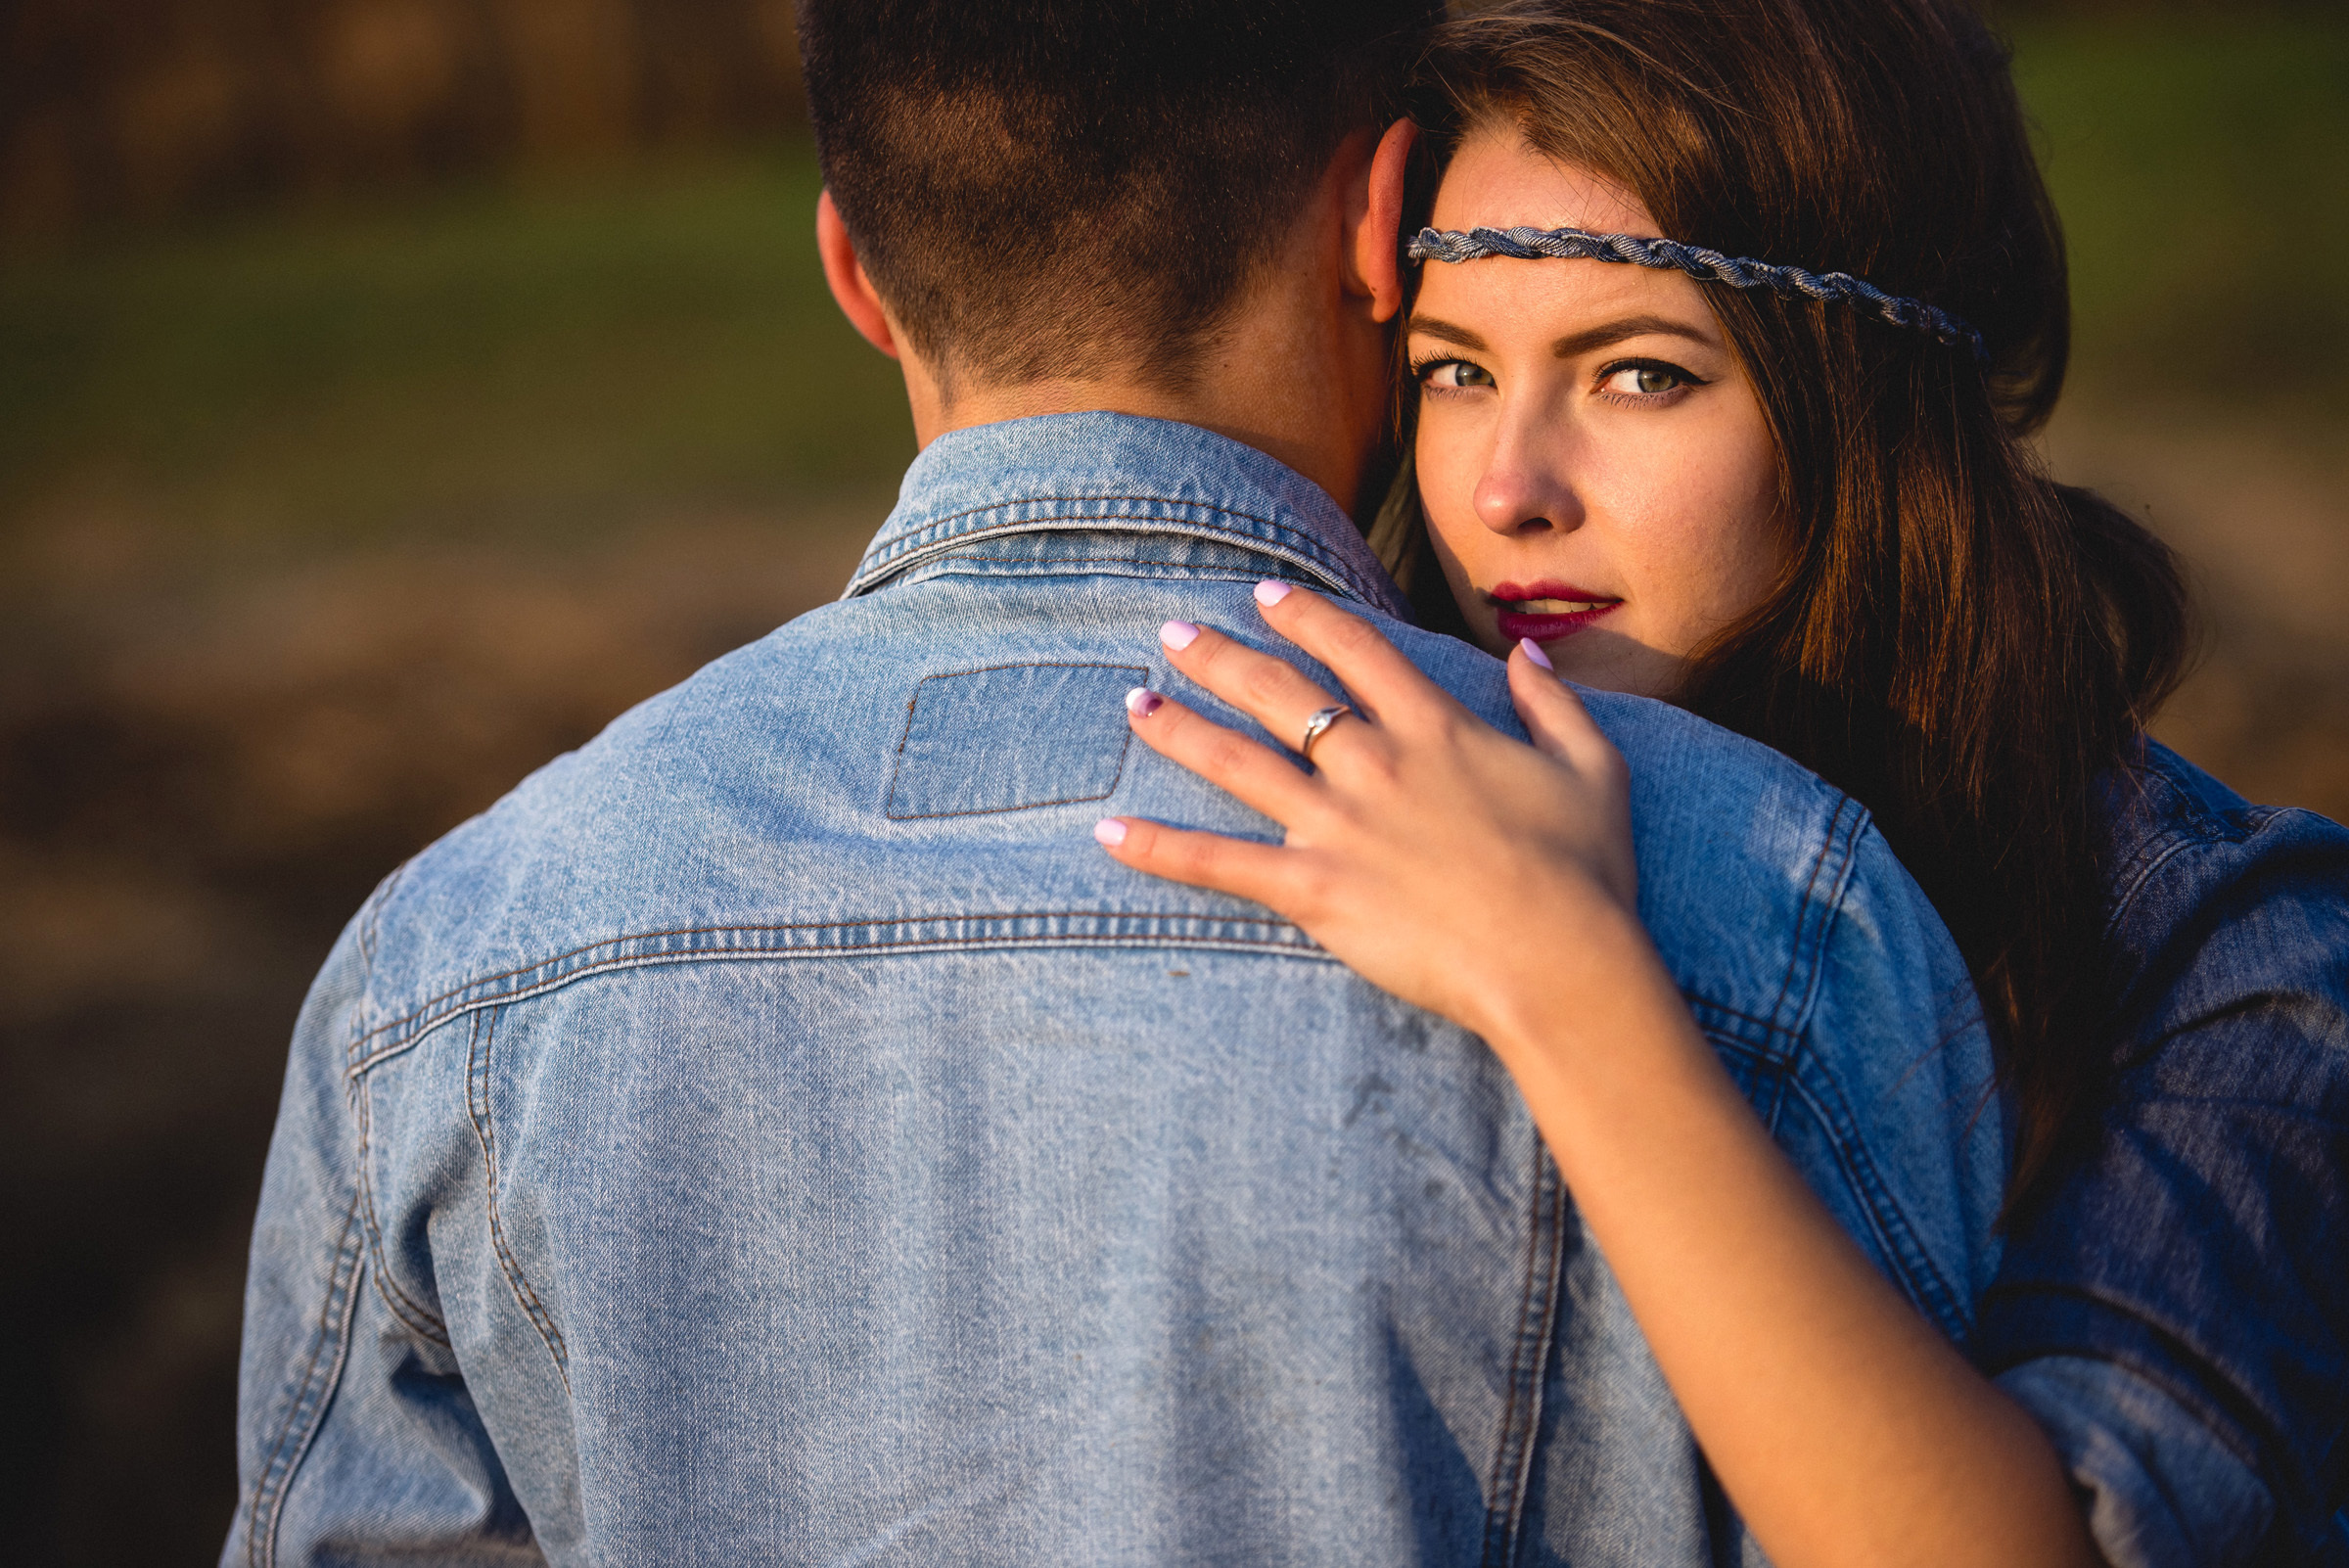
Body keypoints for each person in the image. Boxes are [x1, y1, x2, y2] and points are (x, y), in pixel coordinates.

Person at [224, 2, 2028, 1563]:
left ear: (855, 270)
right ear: (1381, 226)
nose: (1511, 486)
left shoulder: (437, 976)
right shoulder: (1766, 895)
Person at [1099, 2, 2349, 1565]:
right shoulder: (1353, 818)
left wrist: (1569, 987)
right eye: (1456, 370)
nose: (1507, 488)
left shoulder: (2232, 954)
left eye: (1640, 375)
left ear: (1866, 413)